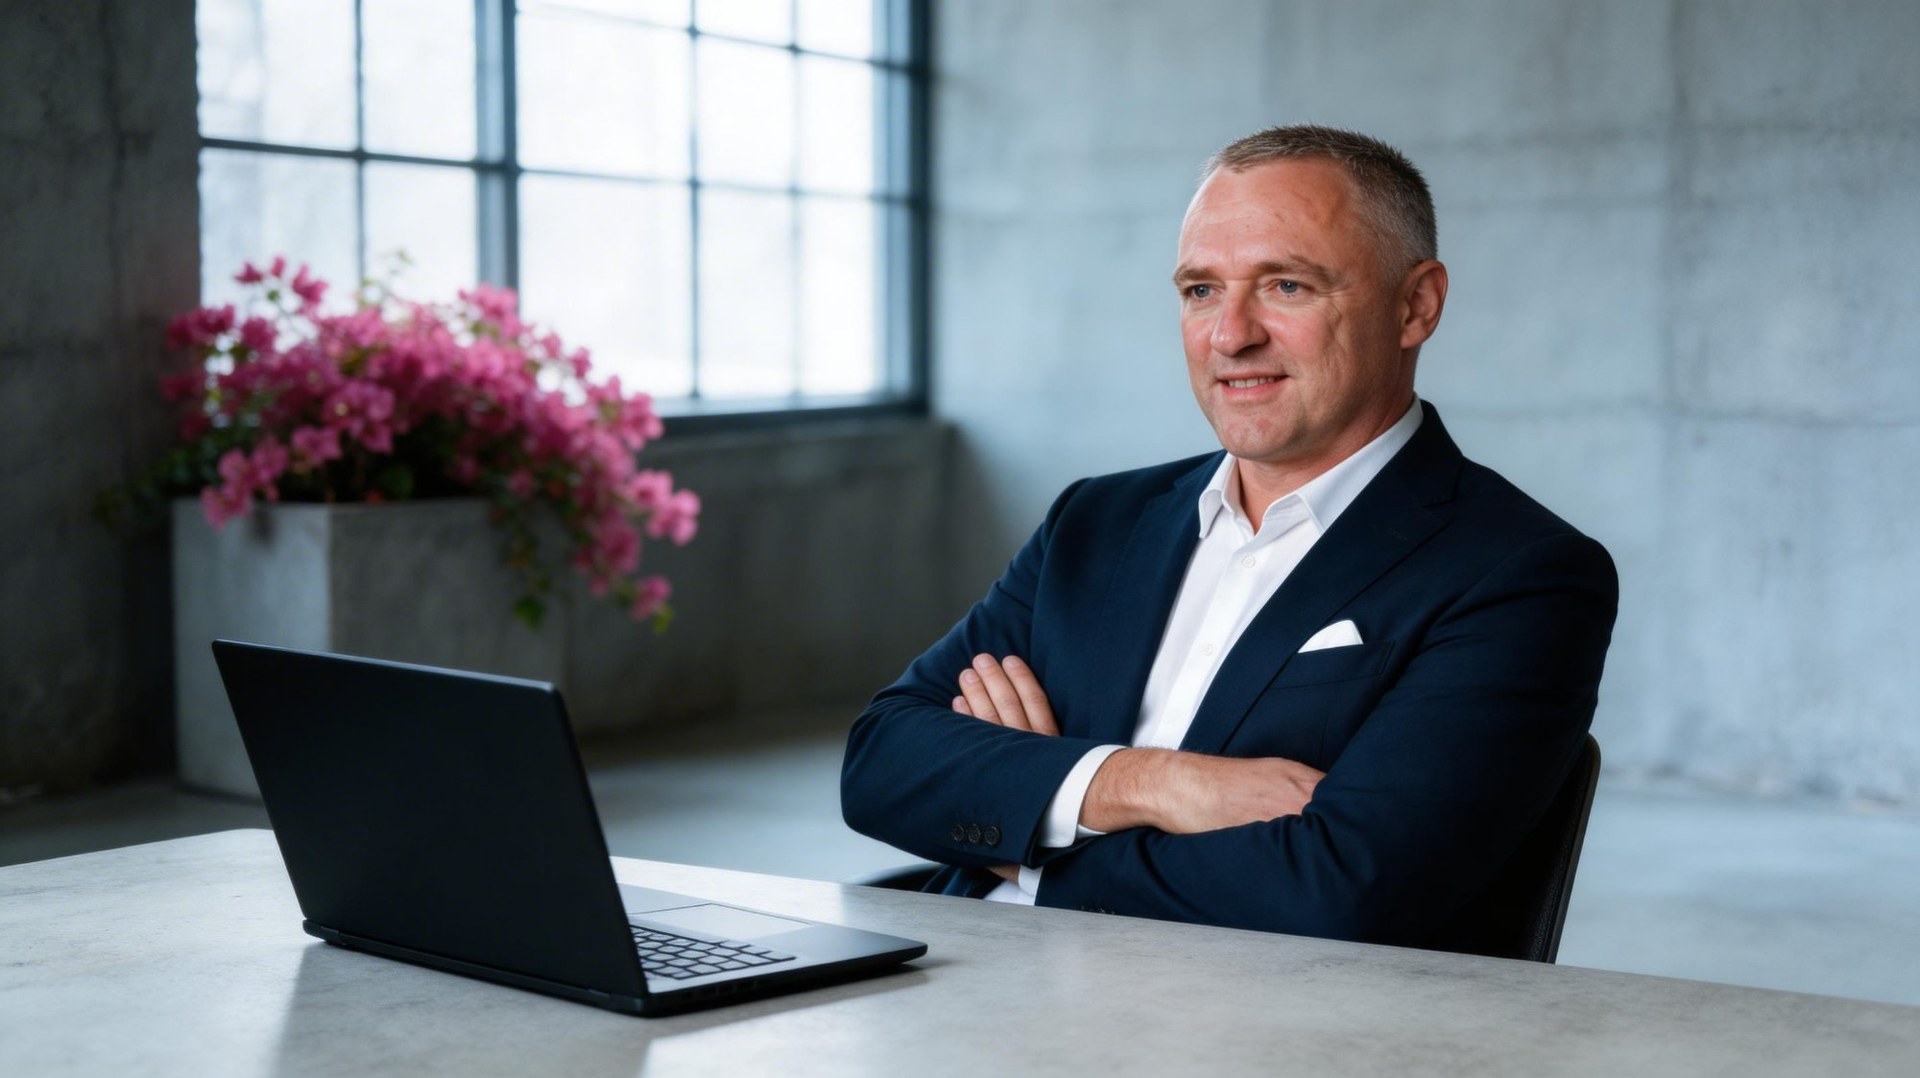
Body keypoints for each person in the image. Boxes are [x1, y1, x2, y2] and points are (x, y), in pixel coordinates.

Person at [840, 124, 1618, 947]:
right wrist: (1153, 784)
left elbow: (1342, 890)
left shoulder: (1521, 573)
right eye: (1200, 290)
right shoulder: (1097, 522)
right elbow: (883, 764)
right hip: (969, 982)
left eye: (1285, 286)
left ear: (1414, 305)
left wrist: (1027, 828)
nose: (1229, 335)